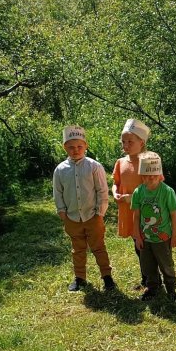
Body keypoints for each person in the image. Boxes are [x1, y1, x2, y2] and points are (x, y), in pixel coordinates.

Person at [53, 125, 115, 293]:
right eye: (71, 147)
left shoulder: (94, 166)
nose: (76, 150)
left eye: (79, 146)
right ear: (65, 147)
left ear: (86, 146)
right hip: (72, 217)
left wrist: (100, 213)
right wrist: (62, 213)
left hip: (92, 215)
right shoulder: (60, 170)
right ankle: (80, 277)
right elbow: (58, 193)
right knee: (78, 249)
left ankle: (107, 276)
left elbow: (102, 190)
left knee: (99, 247)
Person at [130, 151, 176, 301]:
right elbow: (136, 216)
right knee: (148, 266)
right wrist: (137, 236)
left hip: (163, 238)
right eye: (147, 174)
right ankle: (152, 288)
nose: (151, 177)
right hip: (145, 238)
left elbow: (173, 215)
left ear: (160, 174)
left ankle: (171, 290)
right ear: (142, 175)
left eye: (154, 173)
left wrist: (175, 235)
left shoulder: (167, 192)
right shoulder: (138, 192)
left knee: (166, 265)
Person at [112, 118, 151, 290]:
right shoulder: (120, 162)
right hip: (128, 210)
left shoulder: (148, 161)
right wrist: (115, 192)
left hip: (145, 210)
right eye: (123, 142)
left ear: (141, 142)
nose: (126, 145)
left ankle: (152, 279)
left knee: (146, 244)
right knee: (137, 244)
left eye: (130, 142)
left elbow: (154, 187)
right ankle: (146, 277)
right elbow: (116, 182)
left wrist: (132, 197)